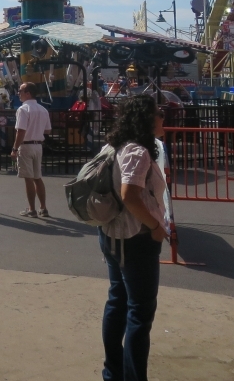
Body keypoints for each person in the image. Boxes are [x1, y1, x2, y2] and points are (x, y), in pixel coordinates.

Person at [99, 94, 170, 381]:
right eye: (159, 112)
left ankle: (113, 372)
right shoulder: (139, 151)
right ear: (147, 118)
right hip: (135, 238)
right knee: (140, 312)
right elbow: (130, 194)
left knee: (118, 301)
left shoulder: (113, 146)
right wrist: (155, 225)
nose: (163, 117)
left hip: (111, 234)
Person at [11, 82, 51, 217]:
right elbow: (48, 130)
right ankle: (43, 207)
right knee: (37, 177)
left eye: (21, 91)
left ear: (28, 93)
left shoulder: (23, 109)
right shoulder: (43, 109)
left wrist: (14, 148)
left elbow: (20, 131)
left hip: (26, 145)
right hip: (38, 145)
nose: (19, 93)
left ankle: (31, 208)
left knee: (28, 178)